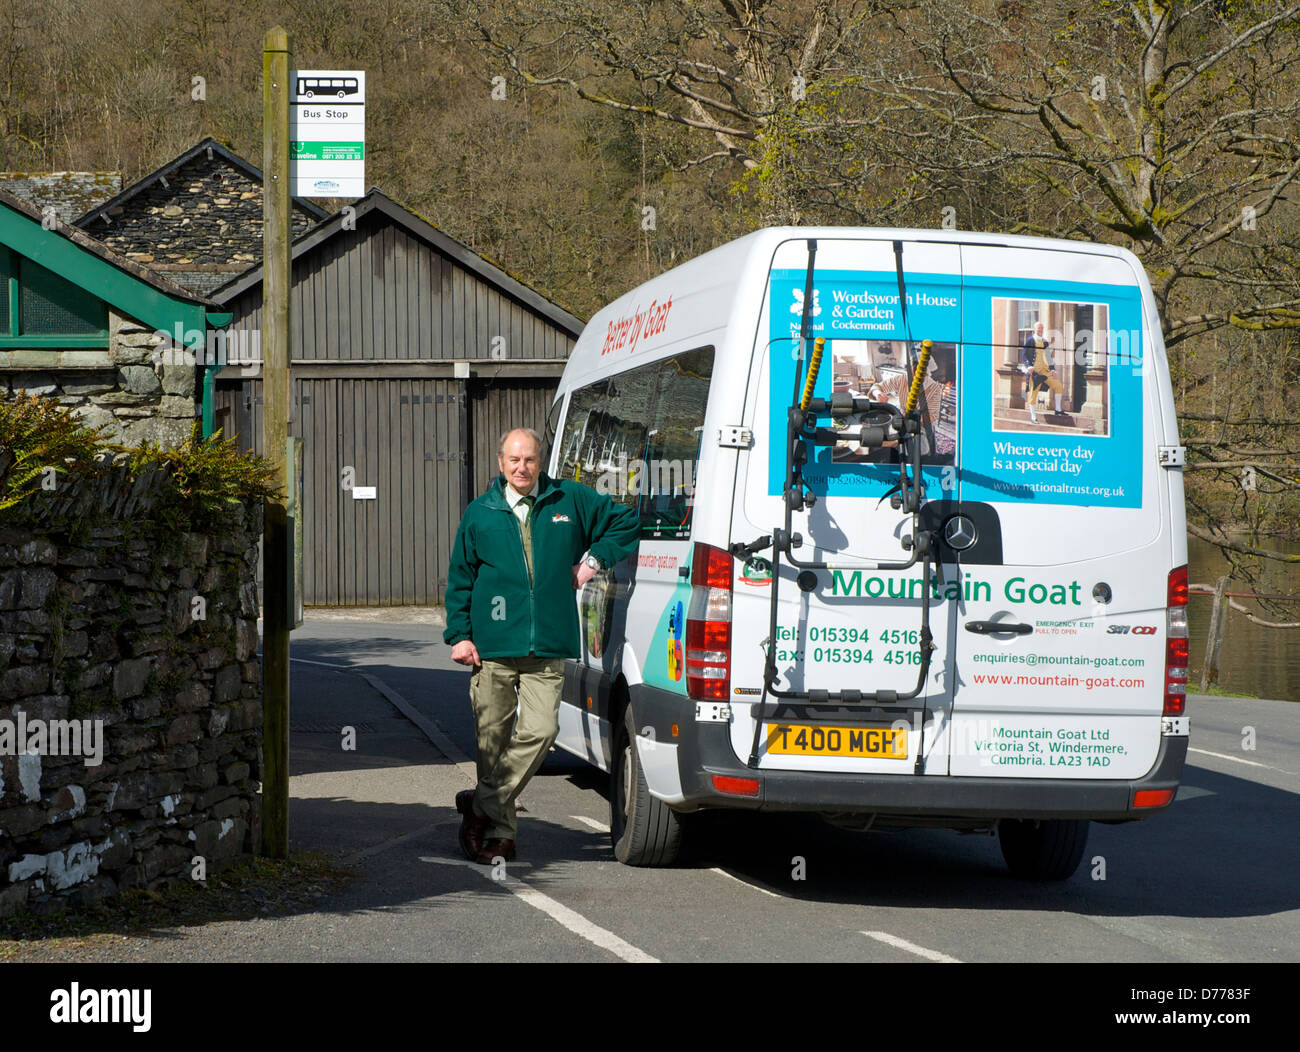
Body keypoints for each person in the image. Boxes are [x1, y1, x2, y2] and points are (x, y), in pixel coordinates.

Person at [444, 427, 640, 864]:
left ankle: (478, 805)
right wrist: (459, 635)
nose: (522, 468)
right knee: (491, 744)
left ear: (540, 462)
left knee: (541, 731)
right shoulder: (481, 512)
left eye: (529, 460)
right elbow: (461, 577)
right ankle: (501, 835)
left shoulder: (568, 500)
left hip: (548, 644)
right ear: (500, 463)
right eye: (514, 460)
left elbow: (626, 522)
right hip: (492, 646)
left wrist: (591, 563)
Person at [1020, 321, 1065, 423]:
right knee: (1033, 394)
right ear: (1035, 329)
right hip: (1034, 372)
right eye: (1039, 328)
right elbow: (1024, 354)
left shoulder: (1045, 342)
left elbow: (1049, 357)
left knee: (1058, 385)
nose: (1040, 330)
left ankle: (1058, 409)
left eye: (1042, 328)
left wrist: (1052, 369)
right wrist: (1029, 366)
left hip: (1045, 370)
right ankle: (1033, 417)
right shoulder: (1030, 340)